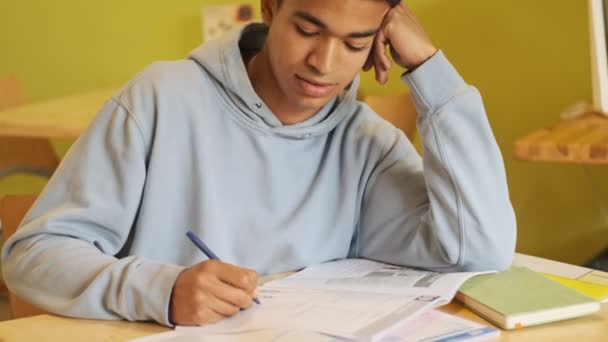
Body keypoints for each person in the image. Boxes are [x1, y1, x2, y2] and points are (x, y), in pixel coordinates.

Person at [1, 0, 516, 327]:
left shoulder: (367, 145)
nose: (325, 63)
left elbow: (479, 249)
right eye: (308, 30)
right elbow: (32, 255)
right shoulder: (161, 99)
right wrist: (159, 289)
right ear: (270, 9)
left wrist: (431, 70)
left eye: (355, 43)